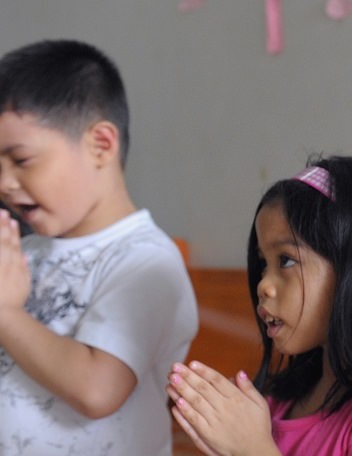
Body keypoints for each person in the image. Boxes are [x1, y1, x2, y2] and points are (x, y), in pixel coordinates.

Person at [168, 156, 352, 455]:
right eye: (262, 264)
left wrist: (253, 450)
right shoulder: (277, 407)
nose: (263, 285)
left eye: (285, 260)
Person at [0, 40, 198, 454]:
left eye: (20, 160)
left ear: (101, 145)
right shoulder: (25, 252)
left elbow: (97, 390)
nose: (4, 183)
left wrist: (5, 313)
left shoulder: (144, 261)